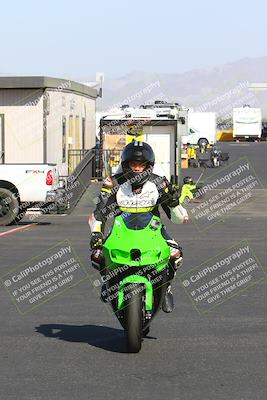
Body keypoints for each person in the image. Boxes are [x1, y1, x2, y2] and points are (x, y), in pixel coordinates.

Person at [88, 140, 188, 313]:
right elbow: (99, 213)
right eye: (133, 164)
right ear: (126, 165)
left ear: (148, 166)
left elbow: (179, 219)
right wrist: (96, 235)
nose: (136, 169)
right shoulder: (113, 183)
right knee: (97, 254)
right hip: (121, 230)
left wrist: (174, 203)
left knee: (176, 254)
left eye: (141, 165)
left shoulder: (159, 183)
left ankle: (166, 288)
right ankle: (108, 281)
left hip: (154, 230)